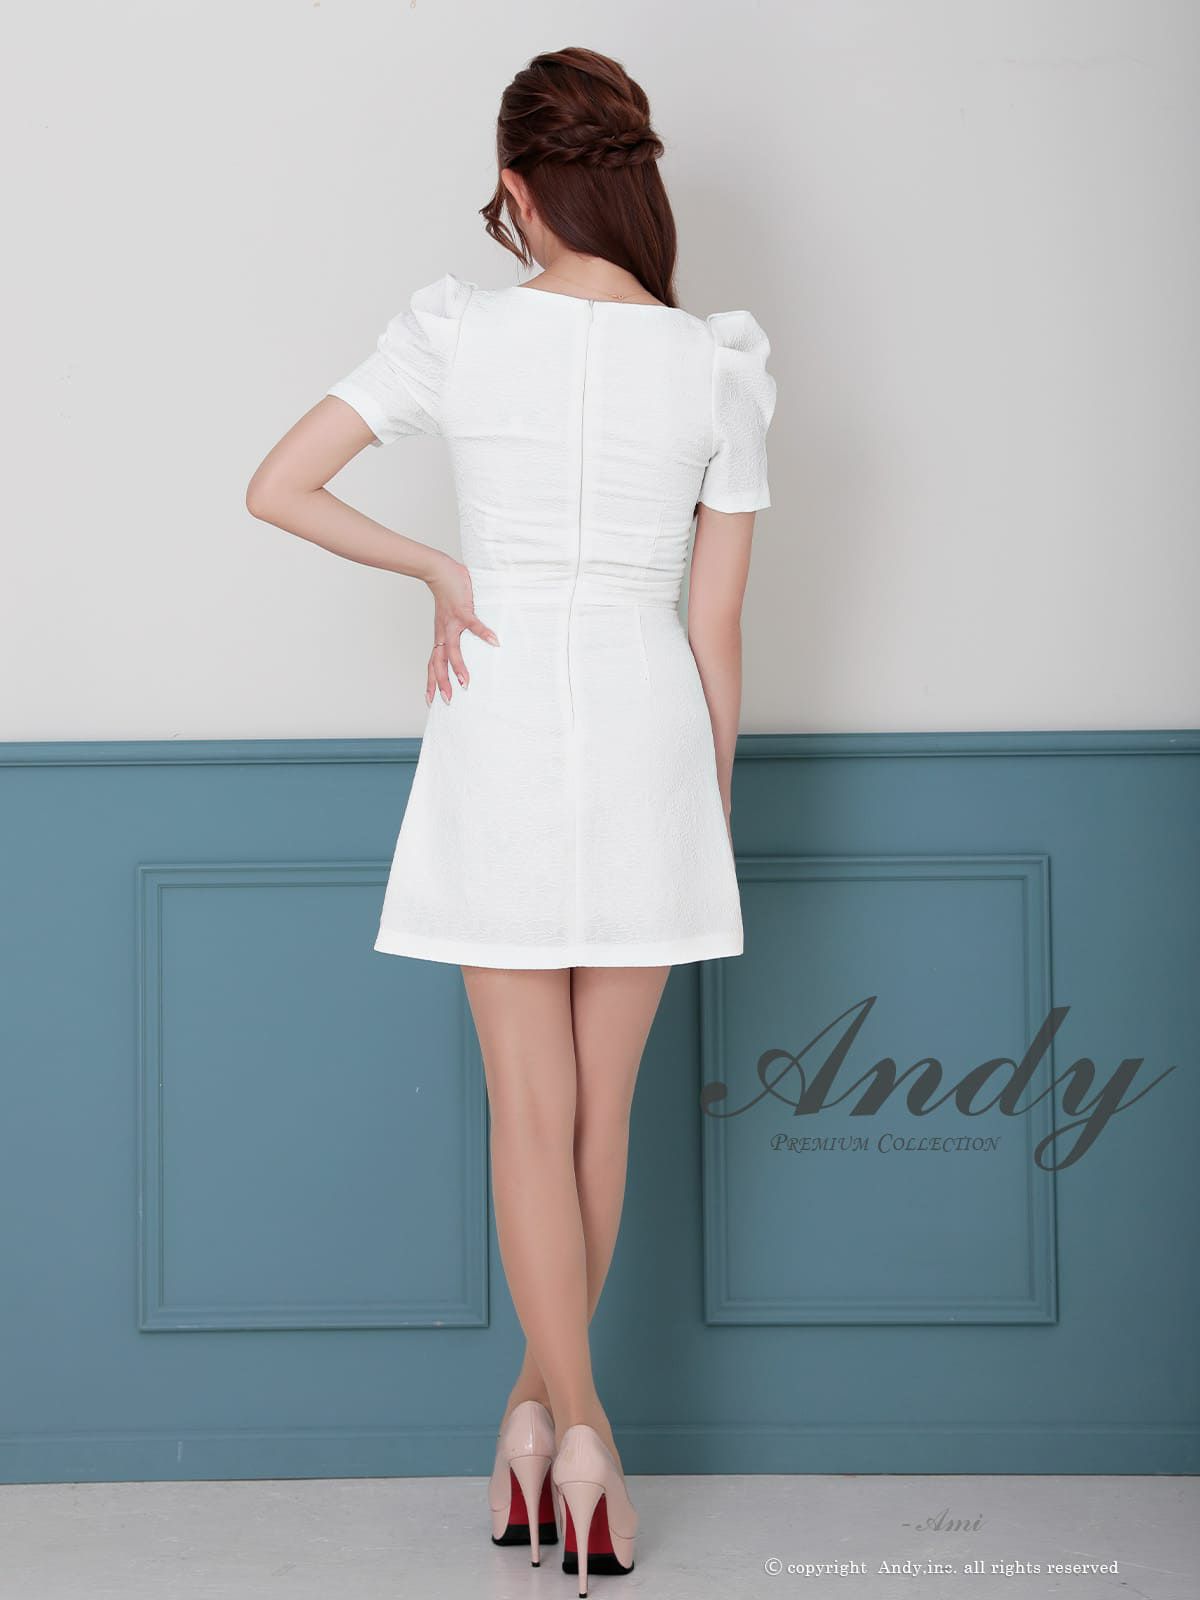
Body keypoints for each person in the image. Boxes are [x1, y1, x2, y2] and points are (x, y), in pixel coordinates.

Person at [245, 44, 776, 1596]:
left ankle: (571, 1423)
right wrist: (707, 811)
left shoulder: (459, 334)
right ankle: (547, 1420)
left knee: (527, 1120)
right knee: (602, 1120)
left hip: (499, 727)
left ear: (515, 188)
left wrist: (439, 570)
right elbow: (719, 628)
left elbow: (278, 486)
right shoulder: (717, 362)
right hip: (652, 731)